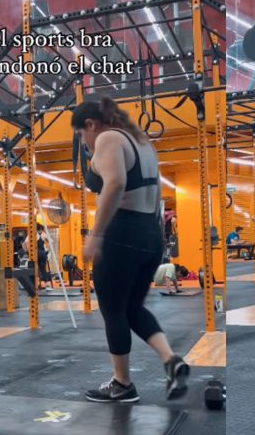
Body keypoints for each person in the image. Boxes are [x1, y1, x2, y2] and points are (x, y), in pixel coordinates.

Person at [72, 97, 189, 403]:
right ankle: (171, 361)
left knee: (112, 310)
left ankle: (122, 384)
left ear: (90, 125)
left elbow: (115, 184)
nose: (83, 141)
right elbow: (156, 192)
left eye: (81, 134)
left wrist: (96, 235)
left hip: (120, 233)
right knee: (132, 308)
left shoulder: (109, 138)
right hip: (149, 233)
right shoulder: (143, 142)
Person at [24, 224, 53, 291]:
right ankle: (47, 285)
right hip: (43, 254)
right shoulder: (43, 234)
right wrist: (48, 251)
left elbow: (25, 244)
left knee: (32, 269)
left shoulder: (31, 235)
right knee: (43, 269)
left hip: (35, 254)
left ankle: (32, 286)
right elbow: (51, 242)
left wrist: (27, 252)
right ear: (41, 229)